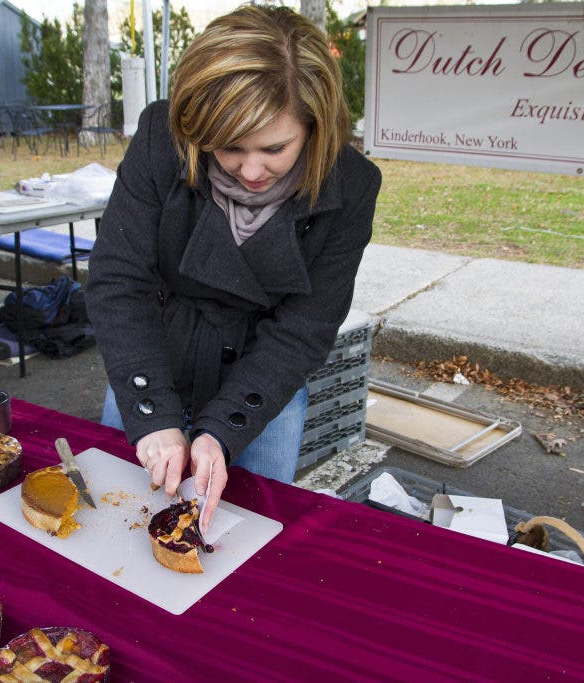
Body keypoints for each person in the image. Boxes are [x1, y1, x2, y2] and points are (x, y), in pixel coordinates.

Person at [84, 5, 381, 531]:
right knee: (120, 526)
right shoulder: (161, 135)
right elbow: (118, 280)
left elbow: (305, 328)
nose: (250, 171)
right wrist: (152, 414)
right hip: (150, 360)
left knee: (246, 538)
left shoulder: (352, 183)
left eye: (274, 148)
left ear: (315, 125)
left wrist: (223, 430)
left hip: (262, 382)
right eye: (228, 146)